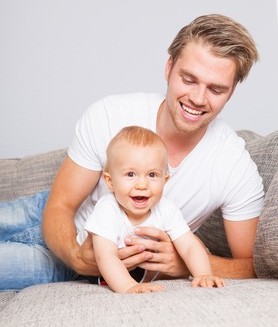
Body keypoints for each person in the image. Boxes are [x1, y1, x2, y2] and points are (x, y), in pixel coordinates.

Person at [0, 14, 264, 291]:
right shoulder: (109, 114)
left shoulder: (233, 163)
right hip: (52, 219)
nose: (198, 98)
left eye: (216, 89)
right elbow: (60, 205)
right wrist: (78, 257)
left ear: (232, 91)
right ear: (169, 67)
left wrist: (183, 264)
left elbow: (252, 264)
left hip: (65, 267)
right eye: (188, 80)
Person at [81, 126, 226, 293]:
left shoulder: (166, 208)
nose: (142, 185)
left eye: (152, 175)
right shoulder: (108, 209)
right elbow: (105, 256)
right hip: (79, 268)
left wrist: (203, 274)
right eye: (130, 174)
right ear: (110, 181)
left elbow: (189, 246)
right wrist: (129, 287)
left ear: (165, 180)